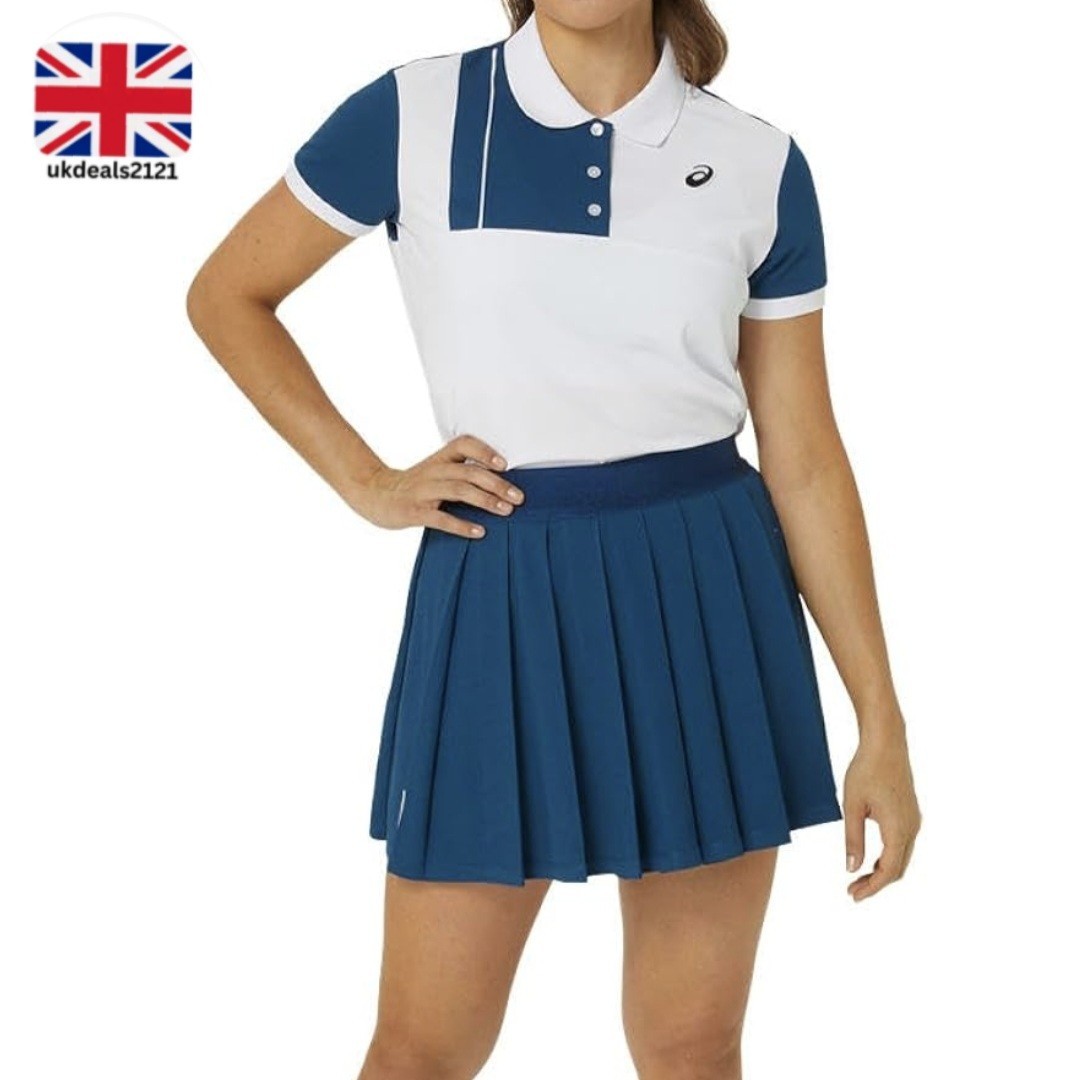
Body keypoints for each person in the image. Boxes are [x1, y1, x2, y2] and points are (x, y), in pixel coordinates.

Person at [186, 1, 922, 1077]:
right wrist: (368, 482)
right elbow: (228, 295)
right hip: (502, 589)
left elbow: (803, 455)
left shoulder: (757, 161)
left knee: (693, 1045)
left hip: (704, 598)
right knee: (422, 1048)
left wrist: (880, 721)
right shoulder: (416, 111)